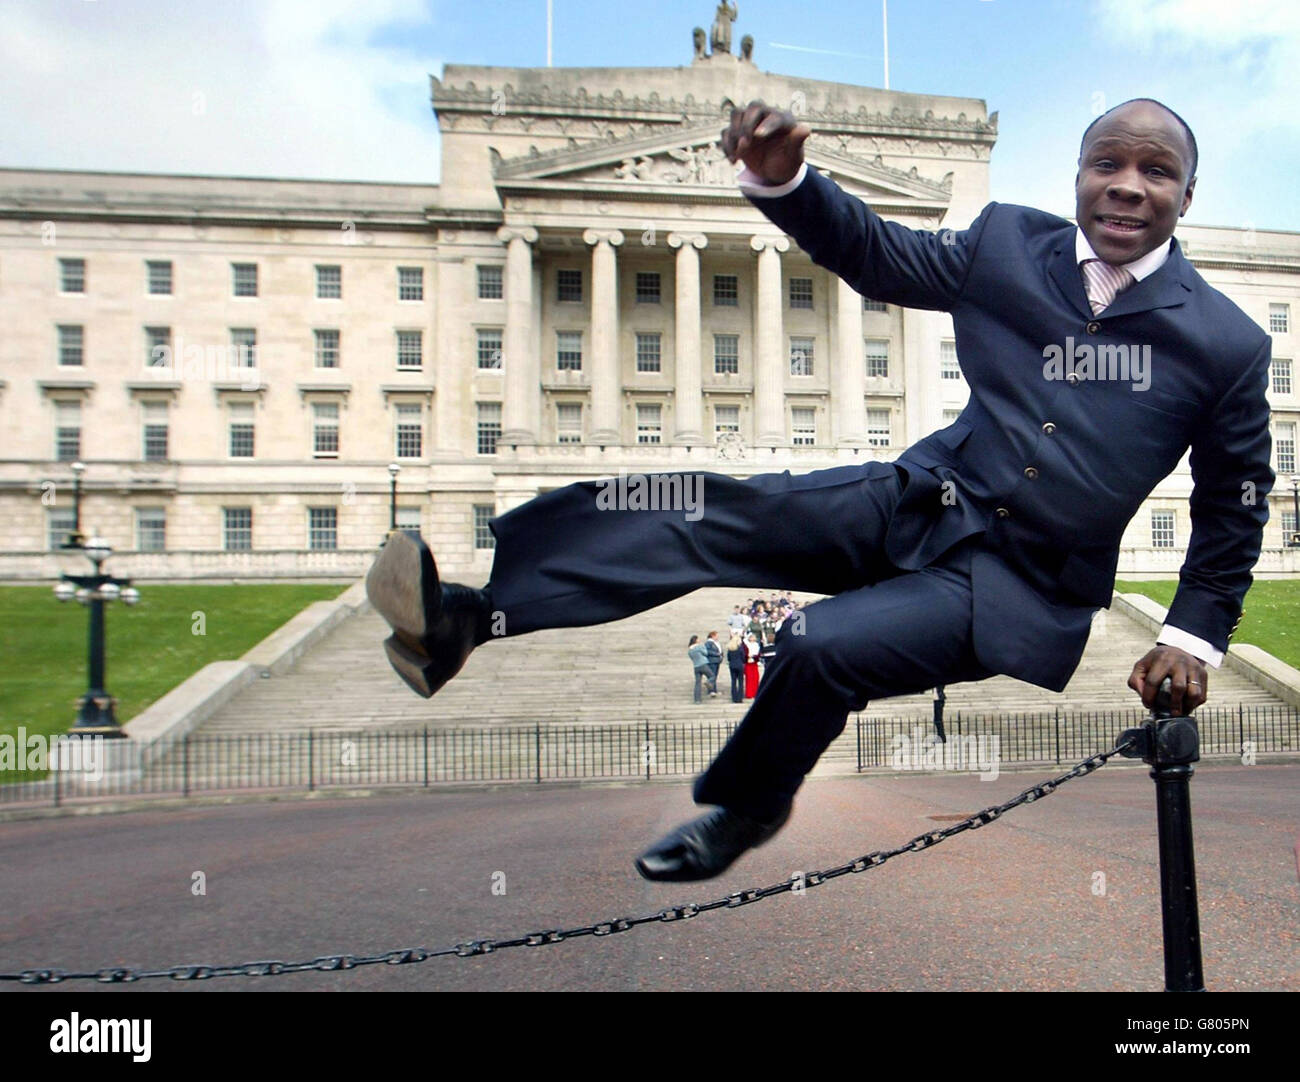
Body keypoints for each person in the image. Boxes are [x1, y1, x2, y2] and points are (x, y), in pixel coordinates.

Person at [365, 96, 1272, 884]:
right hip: (921, 496)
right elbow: (881, 255)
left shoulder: (1225, 344)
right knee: (698, 506)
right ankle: (466, 619)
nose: (1127, 183)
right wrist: (790, 185)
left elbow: (1233, 501)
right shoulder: (1007, 245)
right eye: (1106, 162)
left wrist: (1190, 634)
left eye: (1156, 171)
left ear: (1185, 197)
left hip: (1016, 581)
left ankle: (747, 809)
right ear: (1077, 175)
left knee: (815, 644)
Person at [687, 634, 710, 704]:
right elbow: (706, 653)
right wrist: (702, 646)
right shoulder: (699, 647)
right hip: (703, 664)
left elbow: (691, 657)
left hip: (696, 666)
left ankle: (697, 699)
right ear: (696, 640)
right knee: (712, 676)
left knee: (697, 683)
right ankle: (708, 682)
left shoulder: (690, 649)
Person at [726, 632, 747, 703]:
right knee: (740, 682)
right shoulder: (740, 648)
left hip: (732, 665)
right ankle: (739, 698)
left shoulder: (730, 648)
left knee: (733, 682)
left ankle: (734, 698)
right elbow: (743, 657)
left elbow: (728, 658)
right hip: (740, 665)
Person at [704, 630, 723, 697]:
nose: (717, 637)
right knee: (712, 675)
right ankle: (711, 690)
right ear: (712, 636)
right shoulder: (708, 643)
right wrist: (716, 654)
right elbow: (707, 651)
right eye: (716, 635)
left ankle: (714, 690)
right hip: (712, 661)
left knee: (715, 675)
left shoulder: (716, 642)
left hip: (717, 661)